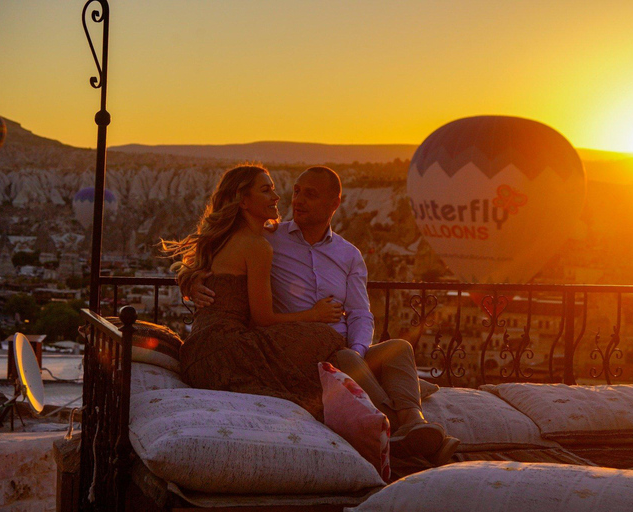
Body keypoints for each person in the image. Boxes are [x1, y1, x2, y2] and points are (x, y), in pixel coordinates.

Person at [189, 165, 459, 464]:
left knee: (399, 348)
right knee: (341, 359)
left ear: (334, 204)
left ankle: (414, 422)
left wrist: (358, 351)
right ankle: (396, 427)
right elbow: (222, 262)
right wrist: (191, 280)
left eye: (310, 195)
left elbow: (359, 313)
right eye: (297, 192)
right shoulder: (269, 238)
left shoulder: (349, 255)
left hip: (340, 348)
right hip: (307, 350)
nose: (297, 200)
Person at [162, 164, 346, 421]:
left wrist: (189, 281)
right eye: (266, 190)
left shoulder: (224, 237)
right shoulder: (257, 246)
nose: (276, 197)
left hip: (197, 354)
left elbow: (194, 270)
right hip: (226, 351)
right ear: (244, 201)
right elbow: (263, 319)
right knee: (326, 338)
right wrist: (314, 314)